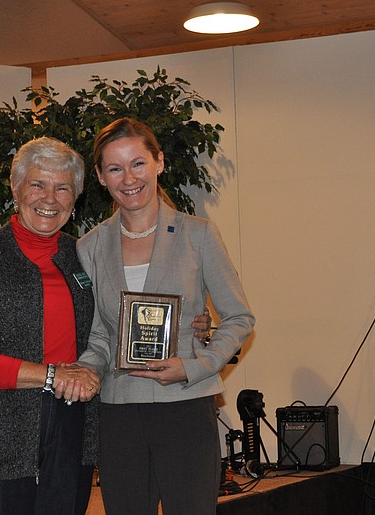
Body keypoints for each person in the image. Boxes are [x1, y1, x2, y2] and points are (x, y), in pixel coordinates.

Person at [72, 118, 255, 515]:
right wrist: (85, 371)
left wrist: (195, 366)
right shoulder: (89, 246)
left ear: (159, 163)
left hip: (186, 405)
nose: (129, 178)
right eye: (115, 168)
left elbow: (239, 317)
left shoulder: (199, 234)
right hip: (118, 409)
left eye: (138, 163)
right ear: (101, 178)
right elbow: (100, 334)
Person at [0, 138, 100, 515]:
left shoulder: (84, 256)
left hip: (70, 426)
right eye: (38, 184)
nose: (50, 198)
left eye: (62, 187)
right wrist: (50, 376)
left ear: (75, 196)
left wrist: (192, 322)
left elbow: (114, 327)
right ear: (15, 188)